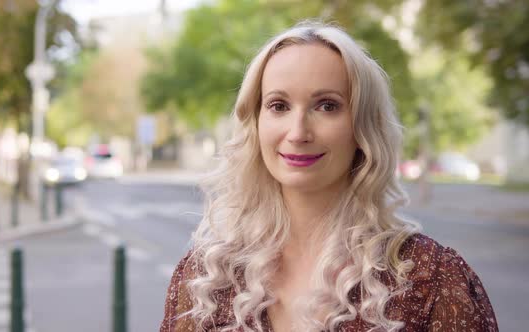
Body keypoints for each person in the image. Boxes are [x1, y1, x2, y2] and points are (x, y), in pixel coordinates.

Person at [160, 22, 498, 332]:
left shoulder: (431, 278)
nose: (298, 132)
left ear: (362, 127)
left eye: (327, 106)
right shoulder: (206, 278)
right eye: (278, 105)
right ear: (256, 122)